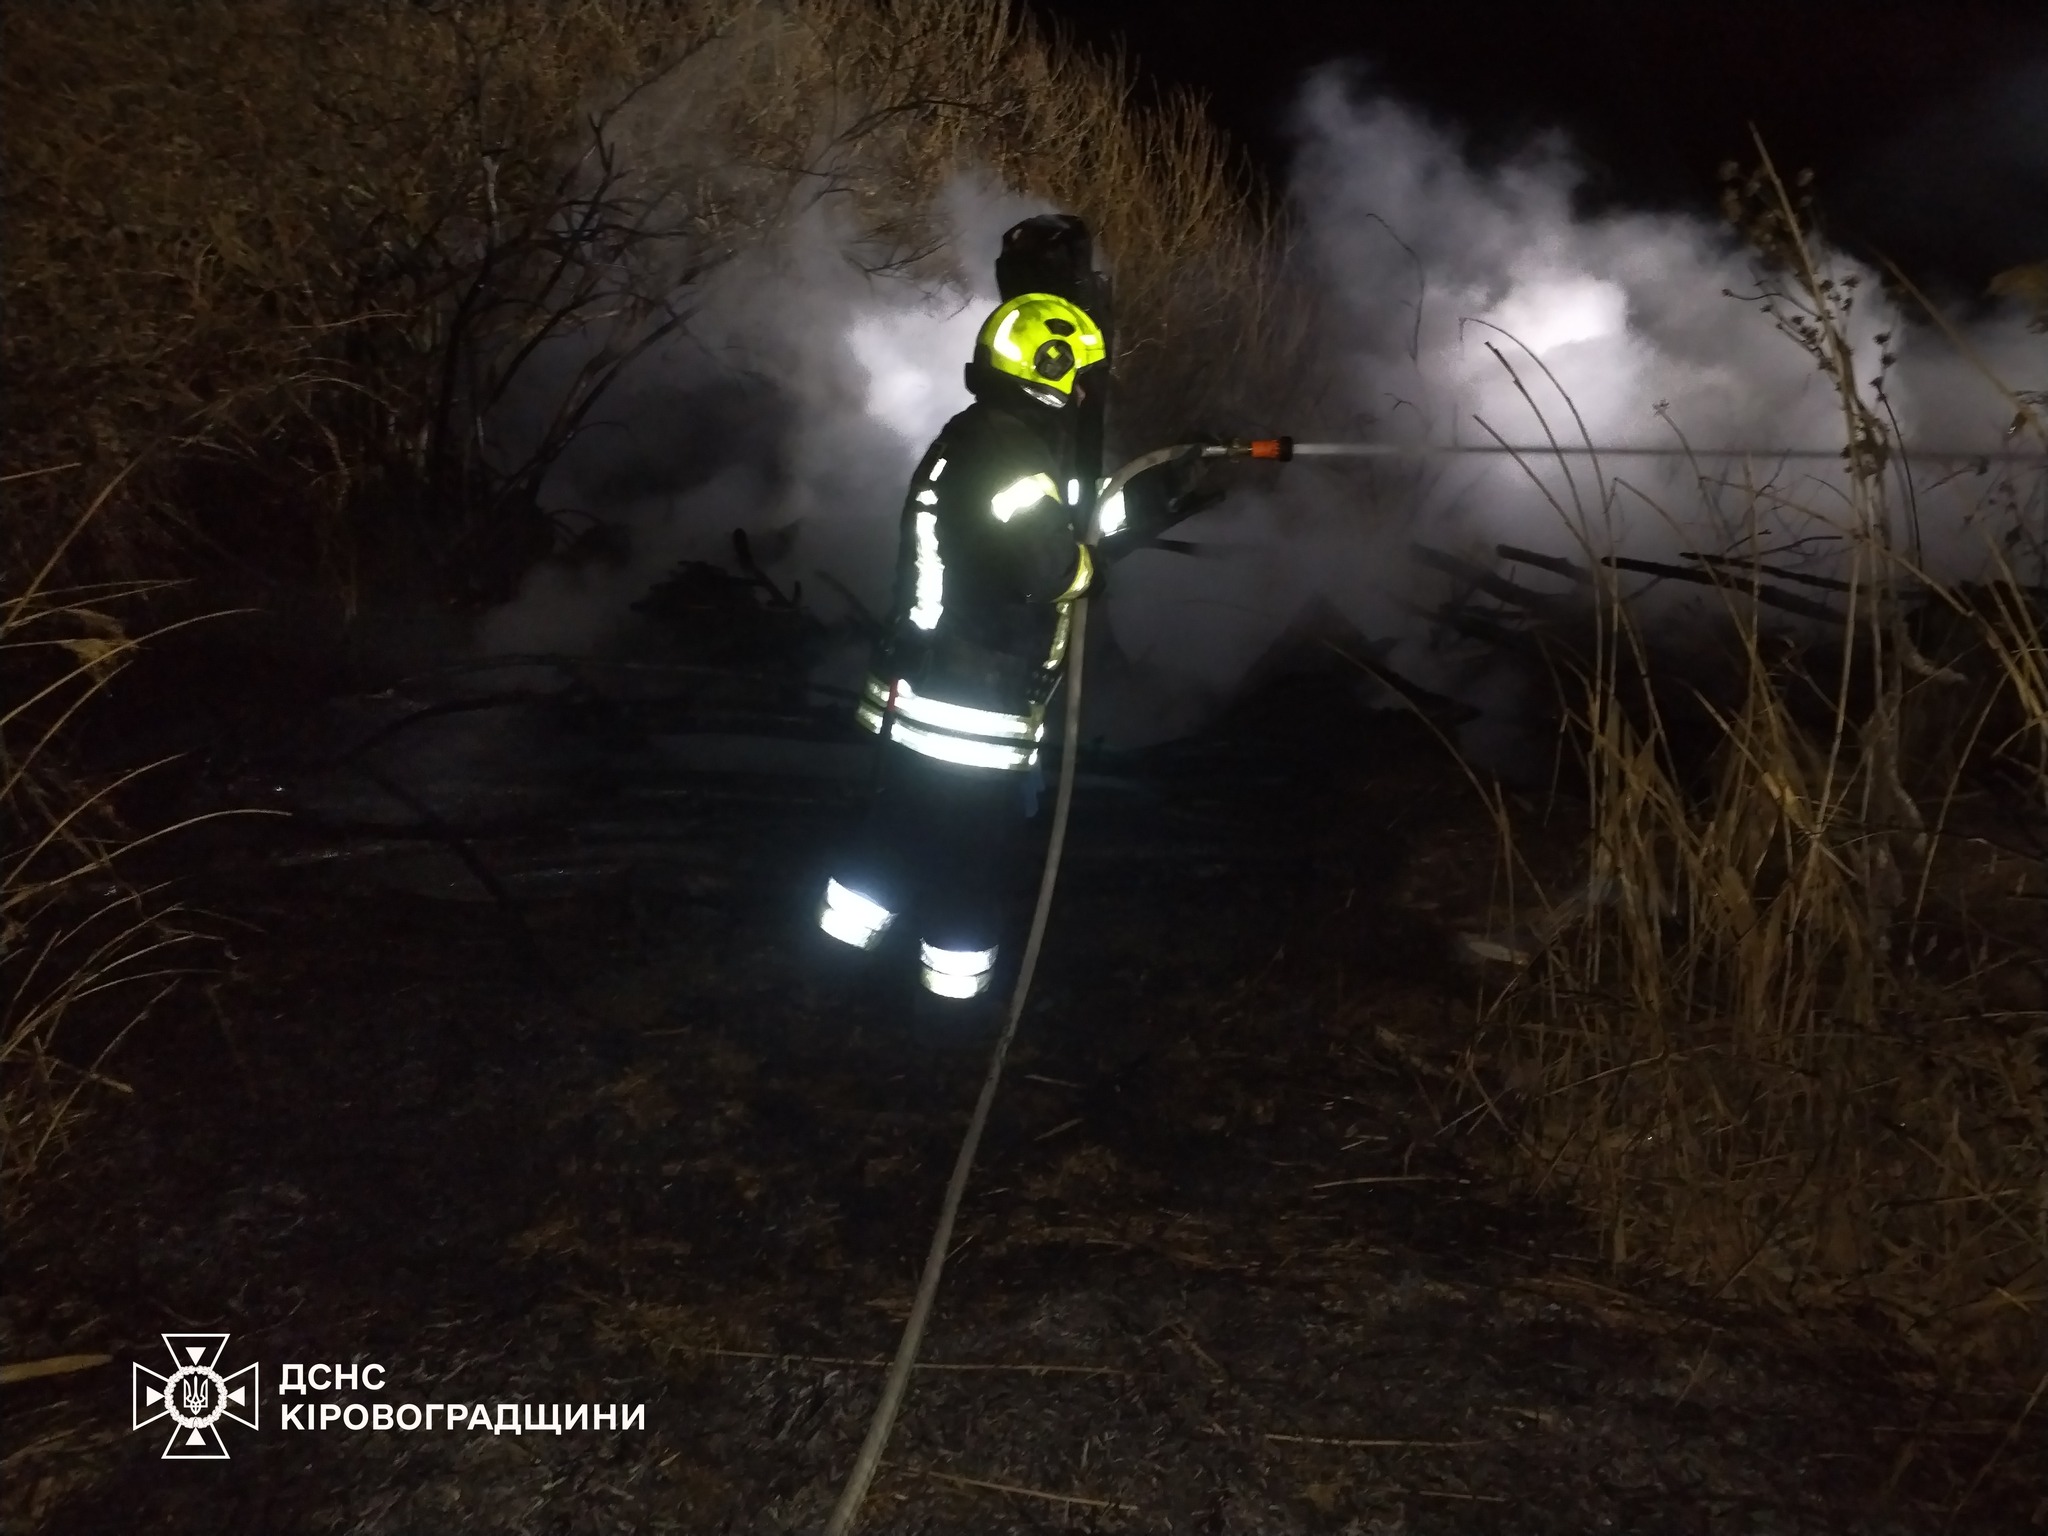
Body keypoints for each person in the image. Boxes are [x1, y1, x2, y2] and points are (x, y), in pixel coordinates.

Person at [815, 291, 1107, 1030]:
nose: (1080, 391)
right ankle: (951, 1017)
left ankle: (833, 972)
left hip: (919, 689)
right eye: (1076, 374)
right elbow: (1051, 569)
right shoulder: (1012, 453)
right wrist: (1089, 571)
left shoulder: (975, 436)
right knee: (970, 862)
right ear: (1049, 369)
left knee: (895, 832)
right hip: (972, 708)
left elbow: (1024, 528)